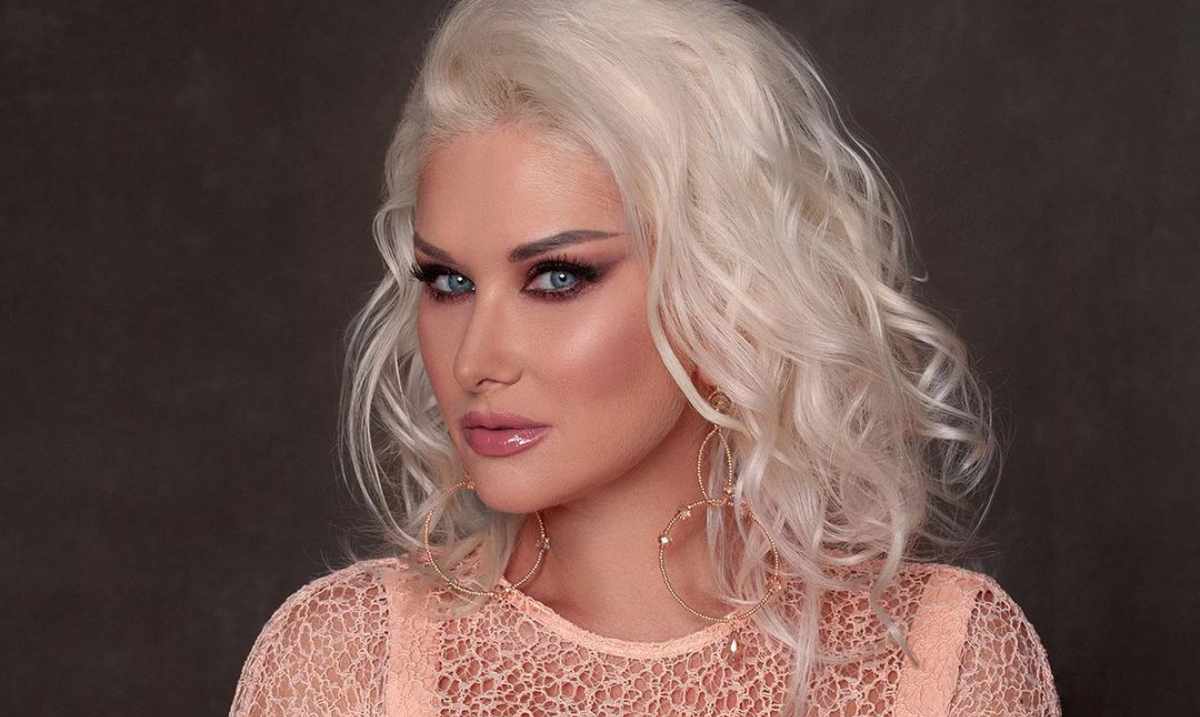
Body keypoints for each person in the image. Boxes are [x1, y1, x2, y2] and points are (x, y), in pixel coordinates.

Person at [228, 0, 1061, 715]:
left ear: (725, 285)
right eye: (449, 282)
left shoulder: (939, 661)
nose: (475, 358)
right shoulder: (347, 664)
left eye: (557, 278)